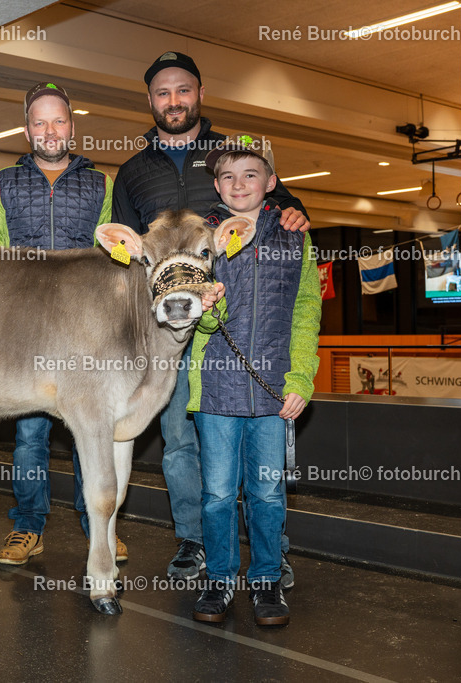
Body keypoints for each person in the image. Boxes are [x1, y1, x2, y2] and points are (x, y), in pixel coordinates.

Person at [112, 50, 309, 581]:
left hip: (239, 336)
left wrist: (297, 212)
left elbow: (279, 205)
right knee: (179, 445)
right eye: (162, 92)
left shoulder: (231, 157)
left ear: (199, 92)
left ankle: (272, 549)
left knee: (252, 455)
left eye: (183, 90)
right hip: (170, 339)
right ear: (151, 100)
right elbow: (128, 261)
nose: (173, 101)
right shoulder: (131, 172)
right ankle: (195, 541)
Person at [0, 82, 126, 566]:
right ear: (26, 130)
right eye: (39, 122)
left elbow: (115, 257)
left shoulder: (101, 184)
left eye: (58, 120)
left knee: (90, 430)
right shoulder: (3, 183)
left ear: (72, 127)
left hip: (86, 331)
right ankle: (27, 528)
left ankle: (98, 529)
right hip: (29, 329)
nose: (49, 130)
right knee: (29, 436)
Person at [186, 136, 321, 626]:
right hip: (216, 391)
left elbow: (307, 311)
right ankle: (219, 582)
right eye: (227, 176)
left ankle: (266, 583)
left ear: (272, 182)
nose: (238, 184)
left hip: (272, 389)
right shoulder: (202, 236)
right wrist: (208, 306)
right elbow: (195, 326)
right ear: (216, 184)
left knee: (267, 495)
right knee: (218, 494)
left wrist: (302, 378)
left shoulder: (295, 234)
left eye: (250, 174)